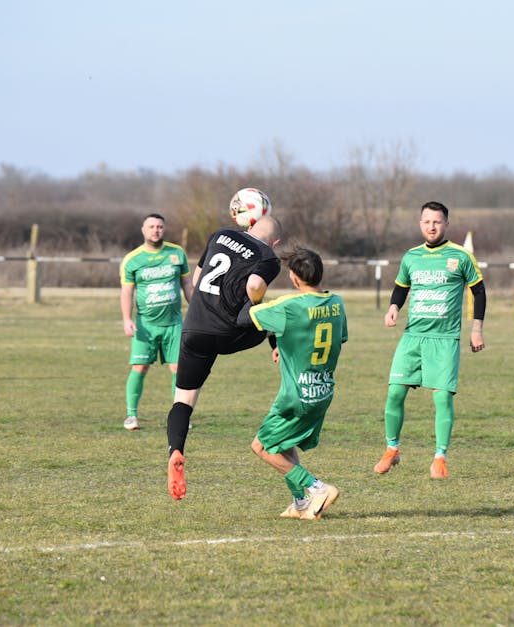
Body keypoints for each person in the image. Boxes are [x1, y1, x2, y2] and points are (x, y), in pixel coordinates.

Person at [166, 213, 283, 500]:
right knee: (273, 316)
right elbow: (255, 286)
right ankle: (278, 348)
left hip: (194, 329)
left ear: (250, 224)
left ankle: (176, 450)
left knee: (183, 399)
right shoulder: (268, 256)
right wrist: (249, 306)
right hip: (229, 333)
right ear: (276, 241)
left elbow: (195, 282)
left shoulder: (220, 235)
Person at [373, 201, 486, 480]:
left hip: (444, 339)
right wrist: (393, 308)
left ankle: (440, 457)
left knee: (443, 398)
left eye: (436, 222)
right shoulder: (411, 256)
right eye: (426, 222)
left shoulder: (460, 256)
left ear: (446, 224)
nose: (431, 227)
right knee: (395, 393)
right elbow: (401, 287)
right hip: (413, 337)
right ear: (420, 223)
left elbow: (479, 292)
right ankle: (392, 449)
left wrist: (477, 329)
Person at [239, 247, 347, 520]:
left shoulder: (289, 305)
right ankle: (300, 502)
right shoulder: (337, 302)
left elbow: (246, 318)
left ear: (295, 279)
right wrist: (285, 346)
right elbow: (335, 338)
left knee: (261, 446)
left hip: (296, 394)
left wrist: (252, 288)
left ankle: (317, 487)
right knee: (285, 443)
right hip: (322, 390)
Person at [119, 213, 194, 431]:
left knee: (179, 370)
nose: (156, 230)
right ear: (143, 230)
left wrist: (198, 311)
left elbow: (187, 285)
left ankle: (180, 417)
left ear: (164, 229)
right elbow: (126, 292)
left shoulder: (176, 253)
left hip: (174, 324)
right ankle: (131, 416)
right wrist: (126, 319)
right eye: (151, 226)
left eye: (160, 226)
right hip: (146, 325)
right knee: (140, 367)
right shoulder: (132, 259)